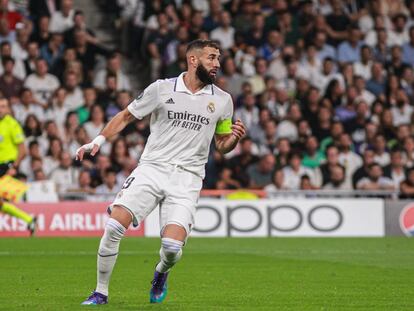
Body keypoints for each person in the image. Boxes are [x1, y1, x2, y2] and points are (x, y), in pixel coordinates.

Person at [77, 39, 246, 305]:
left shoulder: (223, 101)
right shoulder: (162, 88)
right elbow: (126, 116)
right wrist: (97, 141)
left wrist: (234, 138)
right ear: (193, 60)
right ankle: (100, 292)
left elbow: (222, 145)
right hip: (152, 169)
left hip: (187, 178)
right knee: (113, 226)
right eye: (212, 57)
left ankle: (161, 272)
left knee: (171, 249)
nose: (217, 64)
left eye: (218, 58)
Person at [0, 98, 36, 235]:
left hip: (6, 166)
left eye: (3, 106)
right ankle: (29, 219)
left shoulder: (12, 124)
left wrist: (13, 166)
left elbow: (23, 150)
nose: (0, 109)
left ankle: (29, 219)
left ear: (8, 109)